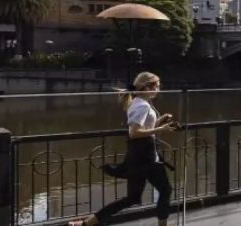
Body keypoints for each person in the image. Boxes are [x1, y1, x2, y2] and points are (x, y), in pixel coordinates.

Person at [71, 72, 176, 226]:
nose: (158, 89)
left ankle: (87, 223)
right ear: (146, 87)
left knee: (132, 198)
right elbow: (134, 133)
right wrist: (163, 129)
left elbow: (144, 127)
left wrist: (161, 122)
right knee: (165, 190)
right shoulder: (143, 105)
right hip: (146, 157)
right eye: (156, 86)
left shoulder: (138, 102)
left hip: (139, 157)